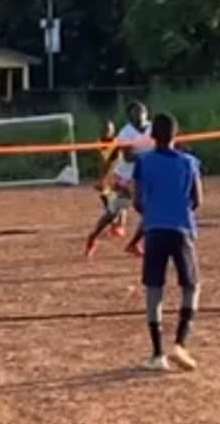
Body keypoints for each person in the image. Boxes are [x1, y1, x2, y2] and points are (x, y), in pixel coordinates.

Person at [133, 112, 202, 372]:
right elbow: (198, 199)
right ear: (176, 135)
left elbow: (139, 200)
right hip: (182, 228)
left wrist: (153, 212)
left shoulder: (144, 162)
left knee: (154, 290)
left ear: (152, 137)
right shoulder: (189, 163)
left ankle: (157, 353)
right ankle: (181, 342)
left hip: (154, 231)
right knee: (191, 286)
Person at [85, 101, 153, 259]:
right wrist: (152, 156)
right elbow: (129, 158)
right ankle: (94, 237)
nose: (141, 114)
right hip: (127, 178)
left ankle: (133, 243)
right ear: (130, 116)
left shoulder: (152, 127)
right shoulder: (126, 133)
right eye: (136, 111)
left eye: (143, 110)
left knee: (150, 212)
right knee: (115, 211)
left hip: (146, 176)